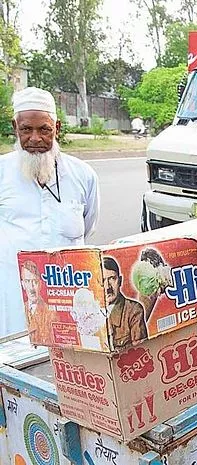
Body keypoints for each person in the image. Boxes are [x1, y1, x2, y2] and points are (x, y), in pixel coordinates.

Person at [0, 87, 100, 339]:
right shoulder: (2, 172)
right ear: (15, 127)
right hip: (13, 296)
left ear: (57, 128)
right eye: (26, 129)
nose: (35, 138)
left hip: (68, 295)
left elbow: (87, 225)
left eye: (44, 129)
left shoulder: (83, 175)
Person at [103, 256, 147, 348]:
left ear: (120, 280)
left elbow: (140, 350)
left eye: (112, 278)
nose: (107, 287)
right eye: (103, 280)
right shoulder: (92, 312)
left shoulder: (134, 310)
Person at [21, 260, 57, 345]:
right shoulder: (23, 307)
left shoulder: (50, 313)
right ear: (23, 284)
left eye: (35, 282)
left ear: (40, 284)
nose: (31, 288)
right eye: (27, 281)